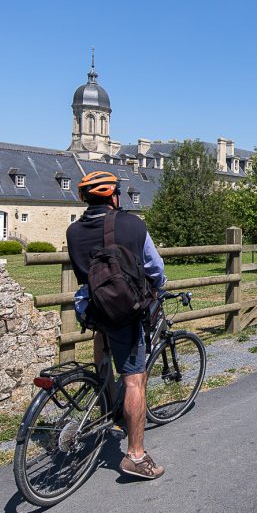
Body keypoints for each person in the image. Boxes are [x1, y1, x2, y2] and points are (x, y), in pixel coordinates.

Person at [66, 170, 167, 480]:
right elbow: (154, 267)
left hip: (92, 308)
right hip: (121, 310)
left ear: (85, 199)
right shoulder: (132, 225)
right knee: (135, 378)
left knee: (105, 338)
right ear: (114, 196)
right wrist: (158, 287)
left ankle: (108, 397)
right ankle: (135, 456)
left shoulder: (73, 231)